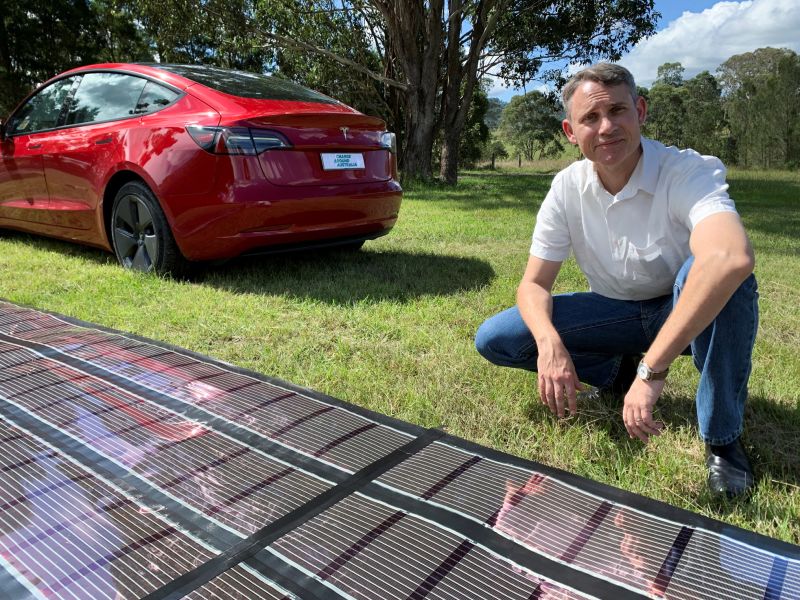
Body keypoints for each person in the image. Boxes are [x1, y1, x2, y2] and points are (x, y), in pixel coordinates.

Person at [475, 63, 758, 499]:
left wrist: (653, 370)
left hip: (681, 311)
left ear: (640, 111)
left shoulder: (686, 171)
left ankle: (723, 440)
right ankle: (614, 372)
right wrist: (551, 346)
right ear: (571, 131)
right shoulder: (566, 188)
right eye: (590, 118)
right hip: (616, 311)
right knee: (499, 336)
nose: (605, 128)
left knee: (721, 275)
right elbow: (533, 286)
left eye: (617, 111)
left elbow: (730, 255)